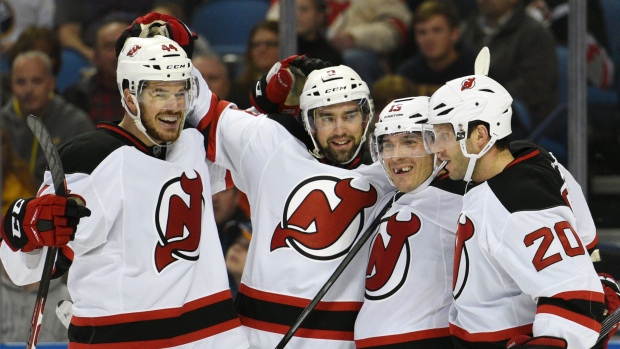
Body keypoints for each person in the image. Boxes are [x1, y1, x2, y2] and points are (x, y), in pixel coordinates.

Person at [0, 35, 250, 348]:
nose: (174, 106)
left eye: (181, 92)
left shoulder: (194, 144)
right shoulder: (89, 160)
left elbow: (263, 160)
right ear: (130, 96)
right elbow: (24, 271)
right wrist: (28, 229)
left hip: (212, 339)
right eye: (160, 93)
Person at [424, 73, 606, 348]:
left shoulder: (516, 200)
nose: (436, 149)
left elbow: (573, 294)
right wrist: (598, 272)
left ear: (480, 135)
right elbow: (582, 237)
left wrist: (550, 342)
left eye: (445, 135)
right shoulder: (530, 156)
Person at [354, 97, 465, 348]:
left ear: (439, 145)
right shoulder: (387, 199)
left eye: (409, 142)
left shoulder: (466, 202)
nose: (396, 156)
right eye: (388, 145)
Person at [459, 0, 558, 131]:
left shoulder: (535, 35)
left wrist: (485, 98)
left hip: (518, 123)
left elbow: (534, 88)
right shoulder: (466, 29)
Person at [1, 50, 94, 183]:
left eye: (37, 81)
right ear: (11, 85)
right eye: (21, 82)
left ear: (51, 83)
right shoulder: (3, 123)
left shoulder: (76, 124)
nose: (29, 90)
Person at [396, 0, 476, 97]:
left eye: (437, 30)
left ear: (454, 34)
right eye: (422, 32)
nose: (429, 39)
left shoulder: (476, 72)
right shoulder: (406, 75)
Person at [63, 19, 129, 123]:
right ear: (96, 56)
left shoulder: (156, 93)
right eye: (109, 46)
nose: (117, 54)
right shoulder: (76, 97)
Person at [228, 20, 280, 109]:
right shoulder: (238, 91)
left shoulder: (297, 87)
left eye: (270, 44)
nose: (262, 49)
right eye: (256, 45)